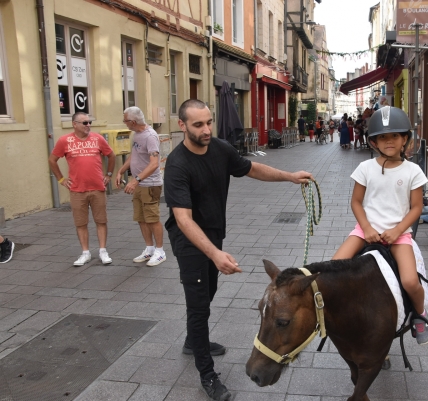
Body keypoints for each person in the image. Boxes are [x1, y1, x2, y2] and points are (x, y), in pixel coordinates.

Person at [164, 99, 313, 401]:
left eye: (209, 122)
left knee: (209, 293)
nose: (206, 129)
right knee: (198, 305)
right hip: (189, 239)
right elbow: (183, 219)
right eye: (198, 125)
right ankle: (207, 373)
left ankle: (195, 340)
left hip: (214, 232)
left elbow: (251, 168)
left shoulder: (219, 148)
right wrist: (214, 254)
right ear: (182, 125)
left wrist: (289, 176)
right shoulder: (177, 164)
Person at [332, 106, 428, 345]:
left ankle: (420, 314)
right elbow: (356, 202)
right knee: (333, 269)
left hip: (399, 235)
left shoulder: (413, 171)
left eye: (394, 136)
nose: (389, 141)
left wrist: (398, 230)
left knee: (409, 281)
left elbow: (417, 207)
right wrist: (366, 228)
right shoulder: (366, 168)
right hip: (365, 230)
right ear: (374, 141)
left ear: (405, 139)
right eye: (383, 137)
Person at [49, 112, 116, 266]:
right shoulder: (64, 140)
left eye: (89, 122)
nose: (88, 125)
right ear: (74, 124)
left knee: (101, 220)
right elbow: (52, 160)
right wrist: (61, 179)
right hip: (77, 190)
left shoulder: (97, 138)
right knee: (81, 223)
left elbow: (111, 155)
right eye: (84, 123)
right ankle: (85, 253)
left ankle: (103, 251)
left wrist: (109, 174)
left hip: (97, 188)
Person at [116, 107, 167, 266]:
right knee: (141, 218)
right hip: (139, 184)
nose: (124, 123)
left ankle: (160, 251)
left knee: (152, 219)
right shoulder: (137, 135)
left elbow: (154, 164)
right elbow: (135, 154)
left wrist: (135, 180)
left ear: (132, 121)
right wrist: (121, 170)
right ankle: (149, 249)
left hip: (150, 184)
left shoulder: (150, 136)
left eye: (125, 120)